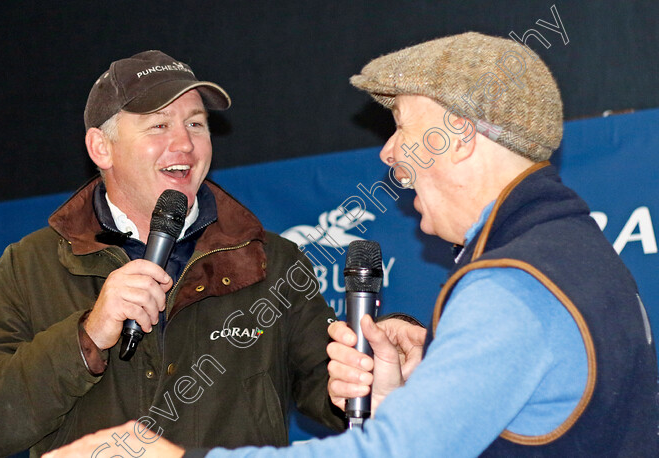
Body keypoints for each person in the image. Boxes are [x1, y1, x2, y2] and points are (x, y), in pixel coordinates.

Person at [44, 32, 659, 457]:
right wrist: (403, 398)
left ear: (463, 138)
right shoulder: (573, 258)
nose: (389, 154)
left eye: (403, 130)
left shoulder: (512, 288)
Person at [0, 50, 346, 457]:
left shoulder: (271, 260)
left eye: (196, 123)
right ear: (101, 148)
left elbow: (336, 390)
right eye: (159, 125)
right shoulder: (31, 265)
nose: (185, 143)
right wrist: (86, 335)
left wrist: (378, 372)